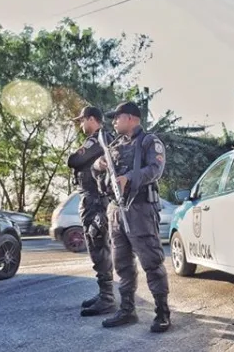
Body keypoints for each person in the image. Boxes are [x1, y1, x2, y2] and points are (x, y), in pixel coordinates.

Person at [92, 101, 171, 333]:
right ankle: (127, 310)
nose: (114, 121)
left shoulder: (149, 142)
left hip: (140, 210)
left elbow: (155, 170)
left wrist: (128, 178)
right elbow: (100, 176)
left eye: (117, 117)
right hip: (116, 210)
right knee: (122, 263)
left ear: (131, 118)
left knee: (152, 262)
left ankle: (162, 313)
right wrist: (98, 166)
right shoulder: (114, 145)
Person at [67, 106, 116, 317]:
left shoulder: (99, 139)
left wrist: (77, 154)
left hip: (96, 201)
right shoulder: (100, 139)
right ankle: (105, 293)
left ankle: (107, 298)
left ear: (92, 119)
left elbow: (74, 160)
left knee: (98, 245)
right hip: (92, 199)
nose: (80, 125)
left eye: (82, 120)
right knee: (97, 245)